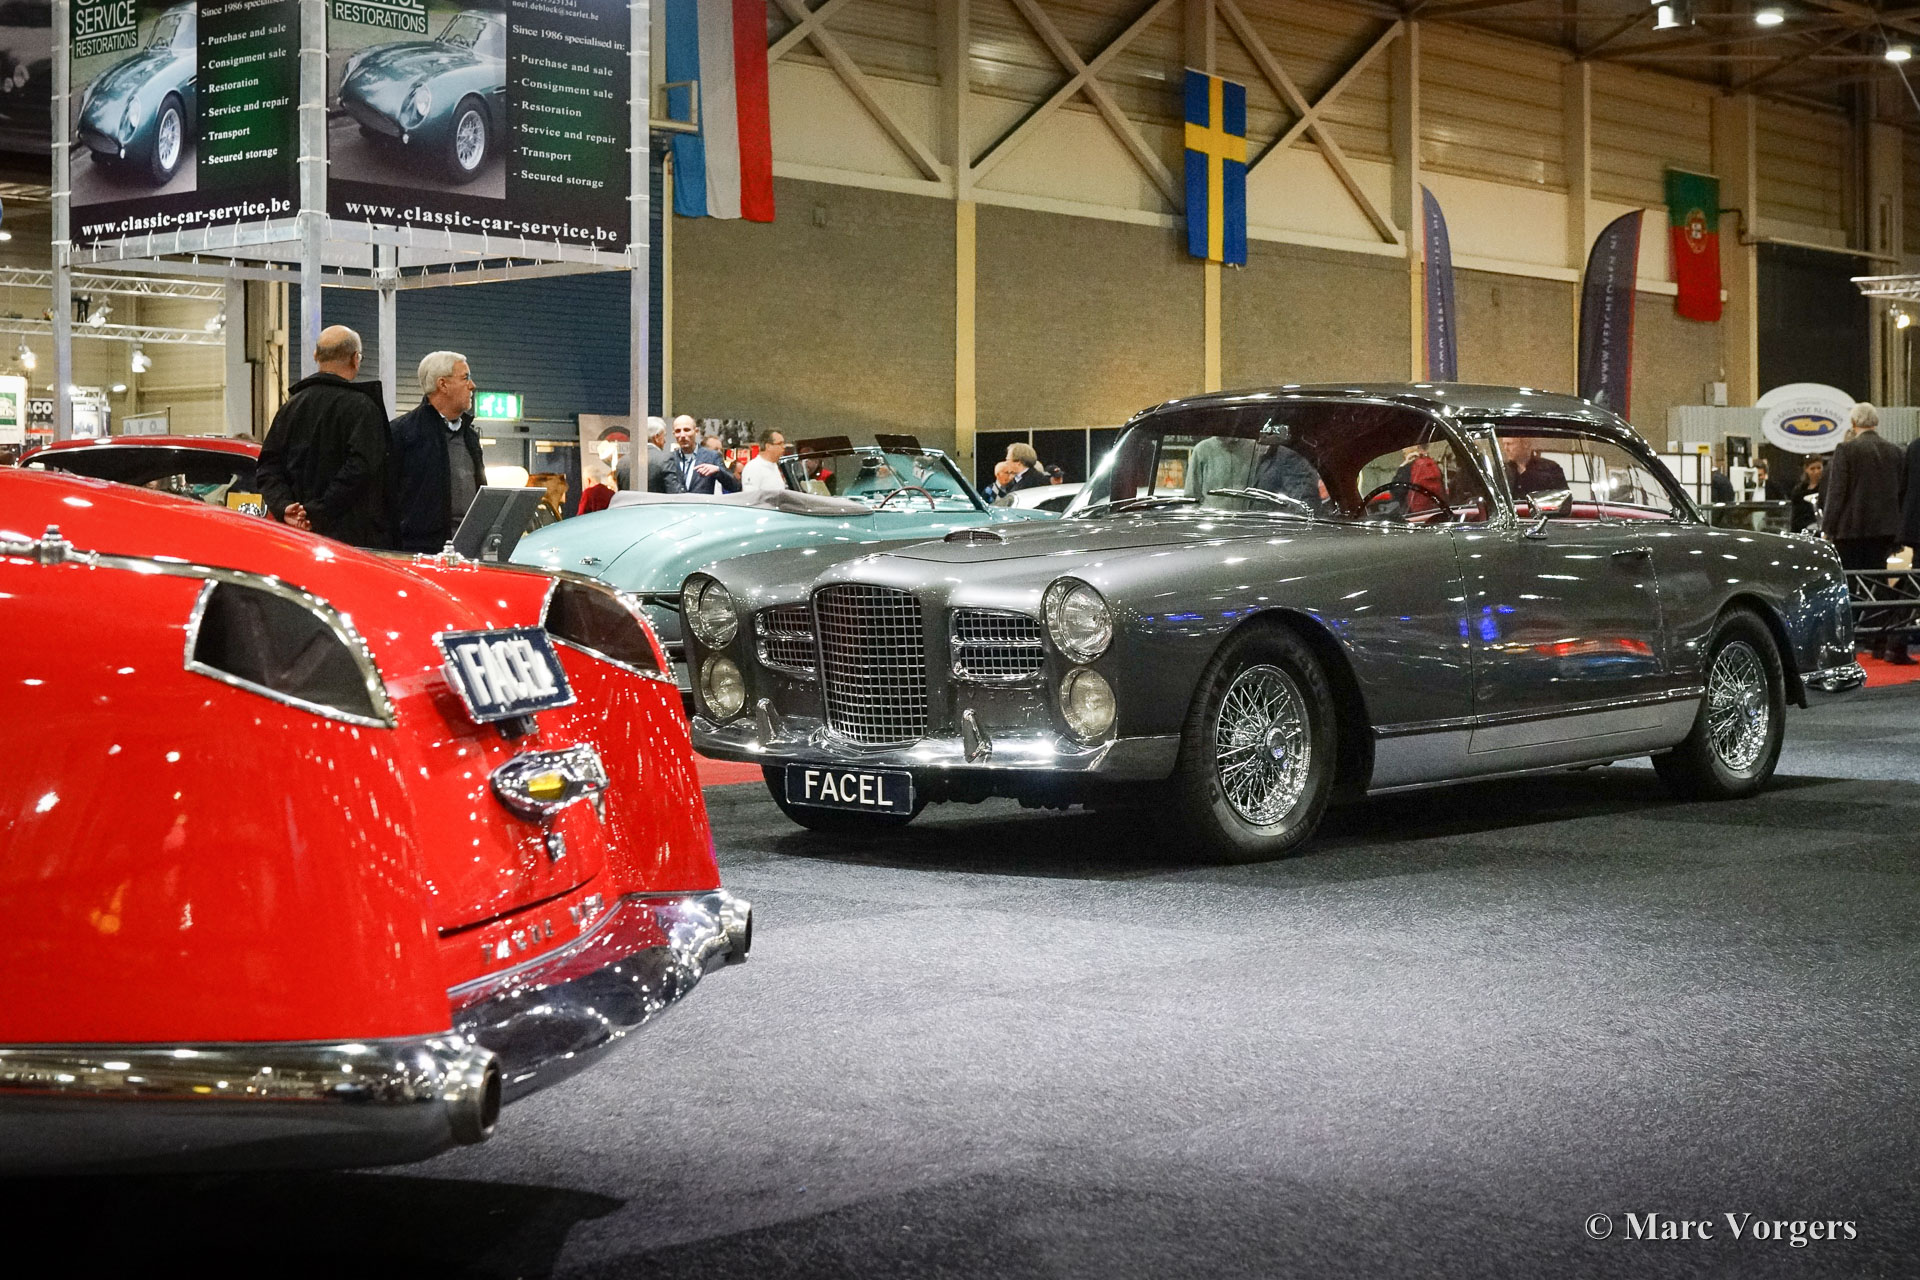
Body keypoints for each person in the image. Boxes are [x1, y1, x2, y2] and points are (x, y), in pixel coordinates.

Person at [255, 325, 391, 548]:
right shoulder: (363, 408)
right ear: (355, 359)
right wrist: (317, 511)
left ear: (316, 355)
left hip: (297, 539)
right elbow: (361, 469)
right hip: (352, 541)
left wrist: (285, 507)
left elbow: (268, 467)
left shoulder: (290, 408)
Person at [1824, 402, 1908, 661]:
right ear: (1876, 423)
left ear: (1853, 424)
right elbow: (1901, 491)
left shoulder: (1846, 450)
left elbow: (1837, 492)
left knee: (1849, 585)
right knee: (1878, 583)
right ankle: (1878, 639)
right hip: (1884, 531)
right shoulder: (1895, 452)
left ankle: (1849, 640)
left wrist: (1828, 527)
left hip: (1851, 530)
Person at [389, 350, 486, 553]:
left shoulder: (470, 437)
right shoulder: (401, 433)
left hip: (468, 553)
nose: (472, 385)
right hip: (420, 555)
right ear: (443, 384)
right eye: (465, 378)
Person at [670, 414, 740, 494]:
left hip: (703, 502)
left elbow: (735, 486)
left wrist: (718, 471)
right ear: (674, 434)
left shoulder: (712, 457)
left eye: (687, 430)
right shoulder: (669, 459)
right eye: (678, 431)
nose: (682, 435)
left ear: (696, 431)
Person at [1501, 435, 1567, 499]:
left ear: (1526, 444)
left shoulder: (1551, 469)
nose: (1505, 448)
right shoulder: (1501, 471)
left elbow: (1564, 499)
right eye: (1504, 444)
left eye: (1509, 444)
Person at [643, 416, 687, 495]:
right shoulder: (666, 459)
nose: (665, 441)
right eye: (664, 436)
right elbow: (675, 493)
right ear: (657, 437)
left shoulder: (623, 462)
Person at [741, 428, 788, 492]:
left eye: (783, 443)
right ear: (768, 446)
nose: (783, 447)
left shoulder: (774, 466)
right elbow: (750, 496)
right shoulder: (753, 468)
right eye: (780, 444)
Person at [1790, 456, 1825, 534]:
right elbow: (1795, 515)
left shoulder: (1827, 488)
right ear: (1806, 470)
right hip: (1802, 531)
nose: (1816, 471)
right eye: (1812, 469)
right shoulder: (1799, 490)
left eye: (1819, 468)